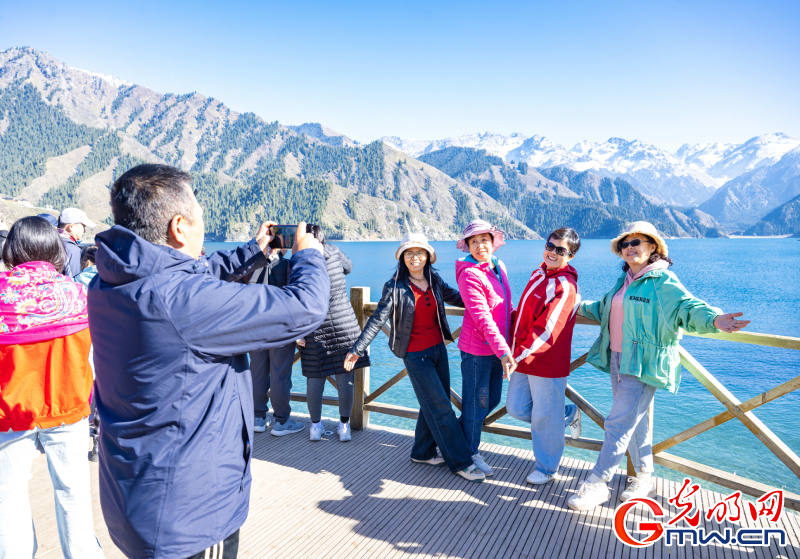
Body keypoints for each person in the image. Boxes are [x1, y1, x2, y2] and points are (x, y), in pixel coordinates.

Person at [88, 164, 330, 559]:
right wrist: (310, 257)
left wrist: (254, 251)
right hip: (192, 515)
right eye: (200, 215)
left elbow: (190, 275)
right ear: (180, 226)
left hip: (137, 495)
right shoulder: (181, 301)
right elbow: (305, 307)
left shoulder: (111, 282)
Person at [567, 221, 751, 512]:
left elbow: (688, 308)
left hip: (644, 364)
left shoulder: (663, 282)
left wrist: (715, 319)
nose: (630, 248)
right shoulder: (625, 279)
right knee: (632, 422)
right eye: (625, 244)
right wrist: (571, 306)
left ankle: (597, 483)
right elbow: (603, 308)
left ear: (653, 247)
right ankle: (643, 477)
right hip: (618, 358)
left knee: (616, 424)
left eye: (636, 242)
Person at [0, 216, 104, 559]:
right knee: (73, 494)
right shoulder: (77, 293)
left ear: (12, 249)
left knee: (8, 499)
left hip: (9, 414)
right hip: (68, 408)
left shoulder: (2, 297)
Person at [344, 233, 485, 482]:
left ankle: (422, 452)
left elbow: (459, 298)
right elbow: (377, 320)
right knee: (442, 408)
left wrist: (488, 307)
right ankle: (462, 461)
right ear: (402, 258)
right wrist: (358, 348)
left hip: (438, 351)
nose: (415, 257)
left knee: (431, 403)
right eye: (409, 253)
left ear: (428, 256)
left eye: (419, 253)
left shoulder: (435, 280)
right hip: (415, 355)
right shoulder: (395, 286)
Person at [506, 228, 583, 486]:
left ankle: (548, 468)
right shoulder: (538, 274)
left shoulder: (565, 285)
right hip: (523, 357)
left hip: (546, 363)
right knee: (516, 408)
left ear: (570, 256)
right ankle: (565, 413)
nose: (552, 252)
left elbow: (548, 330)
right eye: (550, 246)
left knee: (543, 417)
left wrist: (516, 356)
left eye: (560, 250)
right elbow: (525, 314)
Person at [454, 219, 516, 477]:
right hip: (478, 351)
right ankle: (468, 455)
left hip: (497, 349)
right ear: (468, 246)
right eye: (474, 242)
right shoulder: (470, 273)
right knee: (476, 403)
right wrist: (504, 351)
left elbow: (506, 307)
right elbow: (482, 316)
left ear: (493, 242)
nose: (480, 246)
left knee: (490, 400)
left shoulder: (497, 266)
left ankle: (452, 440)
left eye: (484, 240)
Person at [299, 226, 369, 442]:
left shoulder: (300, 259)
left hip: (313, 326)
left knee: (315, 377)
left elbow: (296, 295)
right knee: (345, 375)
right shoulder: (334, 251)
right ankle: (344, 427)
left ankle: (315, 428)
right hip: (343, 322)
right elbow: (349, 267)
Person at [246, 248, 296, 435]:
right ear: (283, 247)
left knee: (257, 374)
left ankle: (258, 418)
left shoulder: (253, 266)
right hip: (280, 328)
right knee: (280, 376)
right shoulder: (288, 265)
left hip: (256, 327)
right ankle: (282, 421)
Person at [58, 207, 96, 278]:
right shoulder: (73, 250)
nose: (84, 231)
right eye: (83, 227)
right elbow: (75, 281)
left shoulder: (51, 242)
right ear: (71, 227)